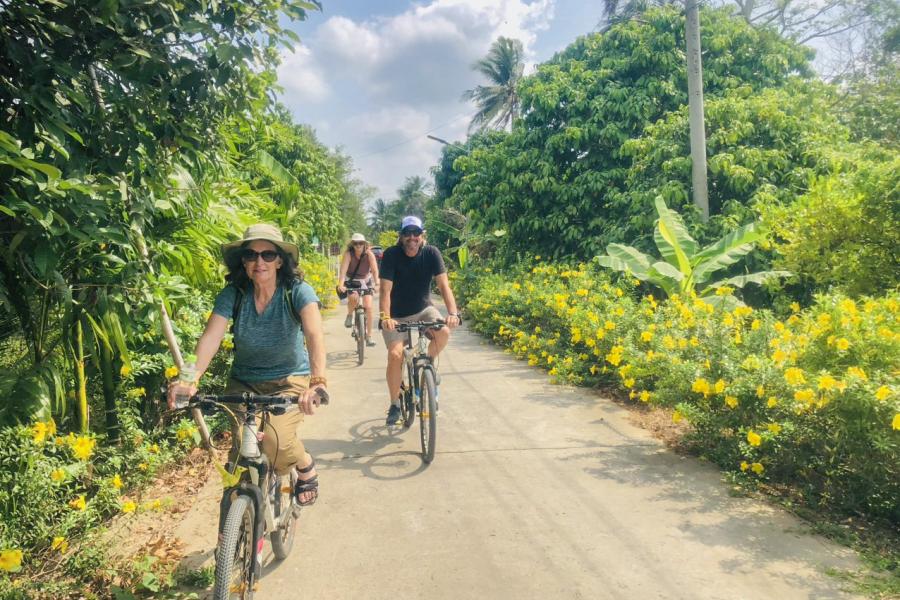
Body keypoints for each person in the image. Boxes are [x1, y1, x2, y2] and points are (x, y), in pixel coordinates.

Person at [168, 223, 327, 506]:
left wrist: (317, 383)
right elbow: (210, 338)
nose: (259, 262)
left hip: (289, 379)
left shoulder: (297, 291)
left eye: (268, 255)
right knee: (242, 450)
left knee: (276, 444)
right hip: (244, 382)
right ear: (244, 261)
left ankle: (304, 464)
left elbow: (315, 335)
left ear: (280, 260)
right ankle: (237, 527)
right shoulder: (234, 294)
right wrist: (189, 379)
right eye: (252, 255)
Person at [379, 216, 460, 426]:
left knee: (443, 331)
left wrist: (453, 313)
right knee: (395, 354)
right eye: (407, 233)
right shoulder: (391, 254)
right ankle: (395, 403)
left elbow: (444, 286)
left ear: (422, 235)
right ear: (401, 236)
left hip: (424, 309)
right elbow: (385, 290)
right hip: (396, 315)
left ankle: (427, 362)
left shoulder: (431, 253)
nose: (412, 238)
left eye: (416, 233)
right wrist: (385, 317)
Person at [336, 232, 379, 347]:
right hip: (352, 281)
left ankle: (369, 336)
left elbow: (374, 271)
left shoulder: (369, 254)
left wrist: (377, 283)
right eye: (356, 243)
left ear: (364, 244)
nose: (358, 246)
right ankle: (350, 315)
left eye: (361, 243)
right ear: (352, 245)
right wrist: (341, 284)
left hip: (366, 281)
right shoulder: (348, 254)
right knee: (354, 298)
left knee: (369, 307)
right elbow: (343, 271)